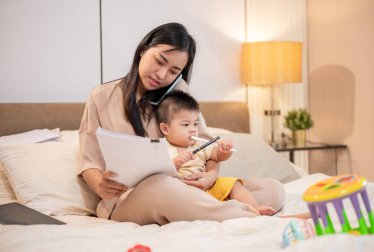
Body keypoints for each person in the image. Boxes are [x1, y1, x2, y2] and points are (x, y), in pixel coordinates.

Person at [78, 22, 286, 225]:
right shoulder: (102, 97)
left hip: (188, 187)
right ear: (143, 49)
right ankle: (252, 218)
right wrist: (100, 188)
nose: (162, 75)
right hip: (128, 198)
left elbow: (204, 144)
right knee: (163, 186)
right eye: (159, 61)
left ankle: (209, 209)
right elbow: (89, 162)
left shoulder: (179, 92)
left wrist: (211, 176)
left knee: (272, 190)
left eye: (173, 71)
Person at [155, 90, 276, 216]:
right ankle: (226, 209)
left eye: (195, 124)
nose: (193, 130)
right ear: (165, 128)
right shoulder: (161, 148)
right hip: (183, 192)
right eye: (186, 125)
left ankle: (255, 208)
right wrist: (176, 163)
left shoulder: (199, 145)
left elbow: (217, 156)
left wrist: (224, 151)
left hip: (207, 188)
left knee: (232, 183)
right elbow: (161, 174)